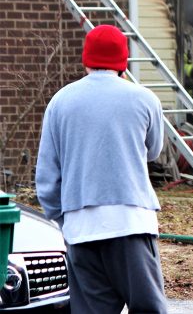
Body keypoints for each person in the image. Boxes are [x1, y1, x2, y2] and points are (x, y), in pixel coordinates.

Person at [36, 24, 168, 313]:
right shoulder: (145, 100)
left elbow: (46, 177)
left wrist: (64, 217)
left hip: (80, 229)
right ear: (124, 62)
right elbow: (153, 151)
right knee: (148, 308)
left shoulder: (60, 102)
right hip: (131, 223)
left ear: (86, 60)